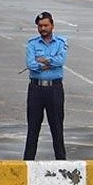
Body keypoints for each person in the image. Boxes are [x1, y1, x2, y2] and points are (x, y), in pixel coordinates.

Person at [24, 11, 68, 160]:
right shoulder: (32, 44)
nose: (43, 28)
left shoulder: (61, 42)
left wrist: (44, 61)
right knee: (33, 128)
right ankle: (28, 162)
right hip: (36, 89)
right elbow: (31, 64)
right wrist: (49, 62)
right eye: (40, 26)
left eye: (46, 25)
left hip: (54, 89)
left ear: (52, 26)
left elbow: (60, 61)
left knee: (57, 128)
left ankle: (62, 162)